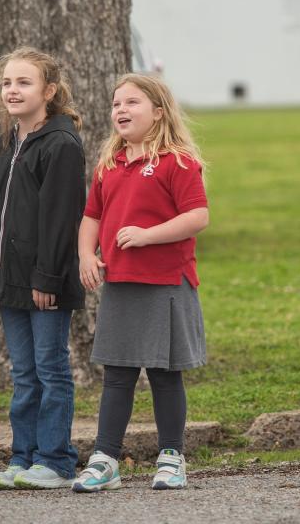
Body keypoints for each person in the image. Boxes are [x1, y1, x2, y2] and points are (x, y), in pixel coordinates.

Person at [73, 73, 209, 492]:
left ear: (158, 111)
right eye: (116, 104)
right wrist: (85, 255)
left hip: (166, 282)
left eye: (132, 103)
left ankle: (171, 456)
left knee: (165, 374)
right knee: (118, 374)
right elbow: (91, 216)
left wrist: (147, 235)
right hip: (121, 283)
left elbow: (197, 217)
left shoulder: (178, 161)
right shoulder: (109, 164)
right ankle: (105, 458)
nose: (121, 111)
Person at [0, 47, 85, 490]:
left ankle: (56, 460)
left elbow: (61, 218)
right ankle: (22, 457)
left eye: (24, 82)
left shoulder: (60, 143)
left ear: (50, 91)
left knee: (50, 369)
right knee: (23, 373)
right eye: (7, 83)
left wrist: (48, 278)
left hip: (45, 281)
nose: (12, 90)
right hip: (9, 278)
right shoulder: (5, 142)